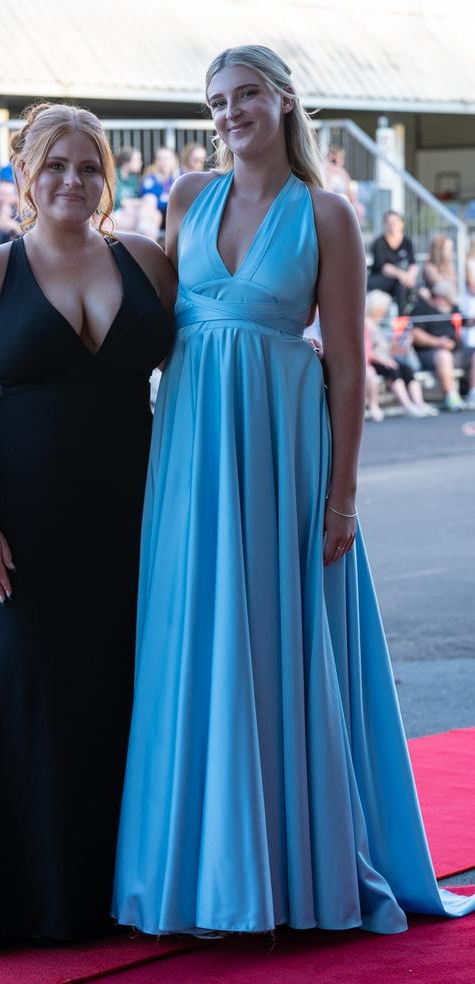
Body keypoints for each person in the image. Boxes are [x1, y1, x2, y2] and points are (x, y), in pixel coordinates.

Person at [113, 44, 475, 937]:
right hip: (193, 449)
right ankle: (197, 873)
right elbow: (151, 328)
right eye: (217, 101)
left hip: (285, 455)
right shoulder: (187, 199)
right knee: (196, 639)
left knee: (279, 641)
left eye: (246, 96)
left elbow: (350, 370)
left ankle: (291, 873)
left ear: (283, 100)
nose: (231, 112)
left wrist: (343, 496)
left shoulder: (329, 214)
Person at [0, 101, 174, 968]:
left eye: (89, 167)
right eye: (55, 164)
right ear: (25, 173)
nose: (72, 181)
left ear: (108, 179)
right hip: (22, 527)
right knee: (30, 693)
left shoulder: (148, 262)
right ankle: (30, 897)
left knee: (119, 692)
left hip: (137, 518)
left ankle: (116, 889)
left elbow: (207, 355)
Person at [364, 290, 438, 420]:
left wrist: (401, 345)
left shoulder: (377, 325)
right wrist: (384, 360)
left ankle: (419, 403)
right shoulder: (365, 325)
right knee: (394, 371)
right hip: (373, 361)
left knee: (407, 370)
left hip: (385, 358)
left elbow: (387, 348)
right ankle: (407, 405)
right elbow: (366, 351)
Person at [410, 282, 475, 411]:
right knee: (444, 356)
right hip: (430, 353)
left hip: (456, 351)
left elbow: (464, 321)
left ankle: (473, 394)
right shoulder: (421, 308)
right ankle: (451, 396)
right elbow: (416, 334)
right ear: (439, 297)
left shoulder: (452, 308)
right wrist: (438, 342)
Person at [368, 211, 418, 314]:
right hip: (380, 279)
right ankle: (402, 319)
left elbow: (413, 263)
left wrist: (410, 276)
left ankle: (407, 320)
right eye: (389, 222)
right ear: (384, 225)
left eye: (395, 222)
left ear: (401, 224)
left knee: (419, 290)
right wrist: (403, 276)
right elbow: (384, 268)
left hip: (402, 280)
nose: (392, 225)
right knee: (400, 283)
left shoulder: (407, 242)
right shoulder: (379, 243)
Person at [138, 146, 180, 230]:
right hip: (156, 215)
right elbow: (149, 199)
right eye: (159, 159)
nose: (163, 162)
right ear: (155, 162)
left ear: (175, 161)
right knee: (150, 199)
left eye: (166, 158)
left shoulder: (182, 177)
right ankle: (144, 230)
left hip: (176, 217)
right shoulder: (150, 179)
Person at [322, 146, 365, 220]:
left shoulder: (343, 173)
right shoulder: (325, 171)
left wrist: (354, 201)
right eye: (338, 158)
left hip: (343, 199)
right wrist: (331, 173)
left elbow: (350, 191)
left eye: (341, 159)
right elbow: (327, 190)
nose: (341, 161)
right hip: (330, 199)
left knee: (359, 208)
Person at [423, 234, 458, 303]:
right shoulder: (429, 265)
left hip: (449, 301)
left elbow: (454, 282)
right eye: (448, 249)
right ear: (440, 249)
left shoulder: (449, 265)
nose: (450, 252)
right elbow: (439, 283)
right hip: (435, 301)